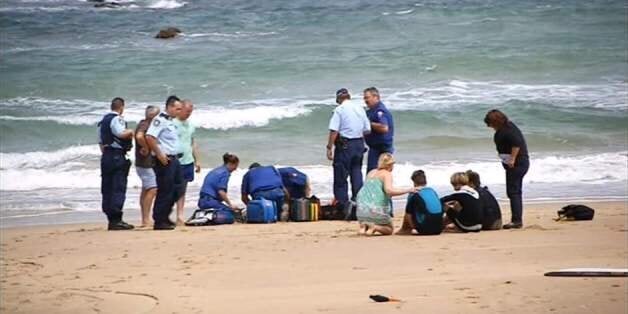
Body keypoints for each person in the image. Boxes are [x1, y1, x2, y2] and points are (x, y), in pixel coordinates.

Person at [326, 88, 371, 219]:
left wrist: (329, 147)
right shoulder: (360, 109)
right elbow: (367, 129)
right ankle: (358, 205)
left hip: (345, 145)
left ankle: (343, 207)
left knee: (340, 177)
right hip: (359, 144)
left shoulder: (339, 110)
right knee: (356, 174)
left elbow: (333, 130)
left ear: (339, 99)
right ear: (349, 97)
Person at [484, 109, 529, 229]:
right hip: (516, 163)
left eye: (490, 123)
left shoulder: (508, 130)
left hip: (517, 164)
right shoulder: (507, 127)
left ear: (496, 121)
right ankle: (517, 219)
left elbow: (516, 144)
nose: (489, 126)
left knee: (513, 192)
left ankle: (517, 221)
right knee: (515, 191)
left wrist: (513, 159)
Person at [146, 95, 183, 230]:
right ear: (169, 107)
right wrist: (159, 154)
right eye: (177, 109)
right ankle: (159, 220)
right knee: (165, 189)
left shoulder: (171, 121)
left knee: (178, 188)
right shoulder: (159, 120)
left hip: (175, 159)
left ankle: (165, 215)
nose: (179, 112)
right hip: (164, 160)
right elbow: (150, 137)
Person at [356, 153, 415, 236]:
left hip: (361, 209)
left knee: (369, 217)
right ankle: (375, 227)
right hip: (375, 209)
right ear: (390, 165)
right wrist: (408, 190)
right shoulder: (386, 174)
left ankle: (364, 227)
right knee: (389, 229)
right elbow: (389, 191)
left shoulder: (371, 172)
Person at [98, 97, 135, 230]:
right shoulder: (117, 119)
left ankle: (111, 217)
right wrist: (131, 132)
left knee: (107, 187)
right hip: (117, 156)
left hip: (106, 155)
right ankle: (116, 219)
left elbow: (101, 143)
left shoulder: (103, 122)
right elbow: (120, 133)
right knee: (118, 187)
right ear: (121, 107)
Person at [174, 99, 201, 225]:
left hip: (188, 160)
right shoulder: (172, 123)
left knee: (182, 189)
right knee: (170, 188)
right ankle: (163, 214)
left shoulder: (190, 125)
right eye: (187, 111)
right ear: (180, 109)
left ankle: (180, 215)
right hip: (174, 160)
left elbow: (193, 143)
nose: (188, 114)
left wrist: (197, 160)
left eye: (190, 112)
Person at [134, 105, 160, 228]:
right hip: (145, 163)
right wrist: (145, 147)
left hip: (143, 163)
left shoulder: (144, 124)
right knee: (153, 188)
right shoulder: (146, 125)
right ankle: (145, 220)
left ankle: (145, 218)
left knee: (146, 189)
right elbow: (139, 136)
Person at [396, 170, 443, 236]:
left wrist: (414, 228)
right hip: (439, 229)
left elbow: (408, 214)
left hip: (423, 229)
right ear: (425, 181)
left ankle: (404, 229)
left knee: (409, 210)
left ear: (414, 182)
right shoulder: (432, 191)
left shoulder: (414, 193)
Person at [363, 87, 395, 173]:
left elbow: (384, 128)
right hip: (374, 147)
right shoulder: (370, 111)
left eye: (367, 97)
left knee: (378, 174)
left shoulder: (380, 111)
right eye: (364, 98)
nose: (365, 100)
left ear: (376, 97)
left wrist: (369, 123)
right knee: (372, 174)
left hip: (382, 148)